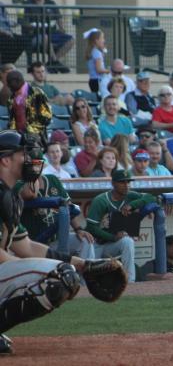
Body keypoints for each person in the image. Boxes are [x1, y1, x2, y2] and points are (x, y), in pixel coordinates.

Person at [0, 130, 121, 355]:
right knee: (61, 276)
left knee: (66, 273)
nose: (29, 159)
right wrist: (60, 269)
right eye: (22, 154)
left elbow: (26, 247)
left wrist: (82, 264)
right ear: (5, 160)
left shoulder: (9, 195)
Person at [85, 169, 167, 283]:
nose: (126, 185)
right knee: (87, 275)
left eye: (128, 182)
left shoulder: (130, 196)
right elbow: (91, 227)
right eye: (122, 182)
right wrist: (113, 237)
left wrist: (132, 205)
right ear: (113, 183)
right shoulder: (101, 200)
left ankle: (130, 281)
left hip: (112, 245)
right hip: (95, 245)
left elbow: (151, 197)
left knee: (128, 241)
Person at [22, 0, 73, 73]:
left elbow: (59, 19)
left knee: (71, 40)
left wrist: (62, 29)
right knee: (45, 37)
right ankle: (54, 62)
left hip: (52, 33)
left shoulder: (51, 3)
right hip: (34, 36)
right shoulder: (27, 3)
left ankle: (52, 62)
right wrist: (33, 27)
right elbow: (24, 22)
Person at [6, 70, 52, 145]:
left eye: (9, 84)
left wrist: (30, 132)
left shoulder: (36, 93)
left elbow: (47, 116)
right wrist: (13, 133)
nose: (8, 86)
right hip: (18, 137)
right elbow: (12, 120)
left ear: (18, 81)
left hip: (36, 137)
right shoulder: (10, 99)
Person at [85, 28, 109, 94]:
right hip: (98, 80)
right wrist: (109, 71)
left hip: (92, 80)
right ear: (96, 40)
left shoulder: (93, 51)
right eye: (102, 38)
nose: (104, 40)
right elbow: (99, 70)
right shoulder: (97, 53)